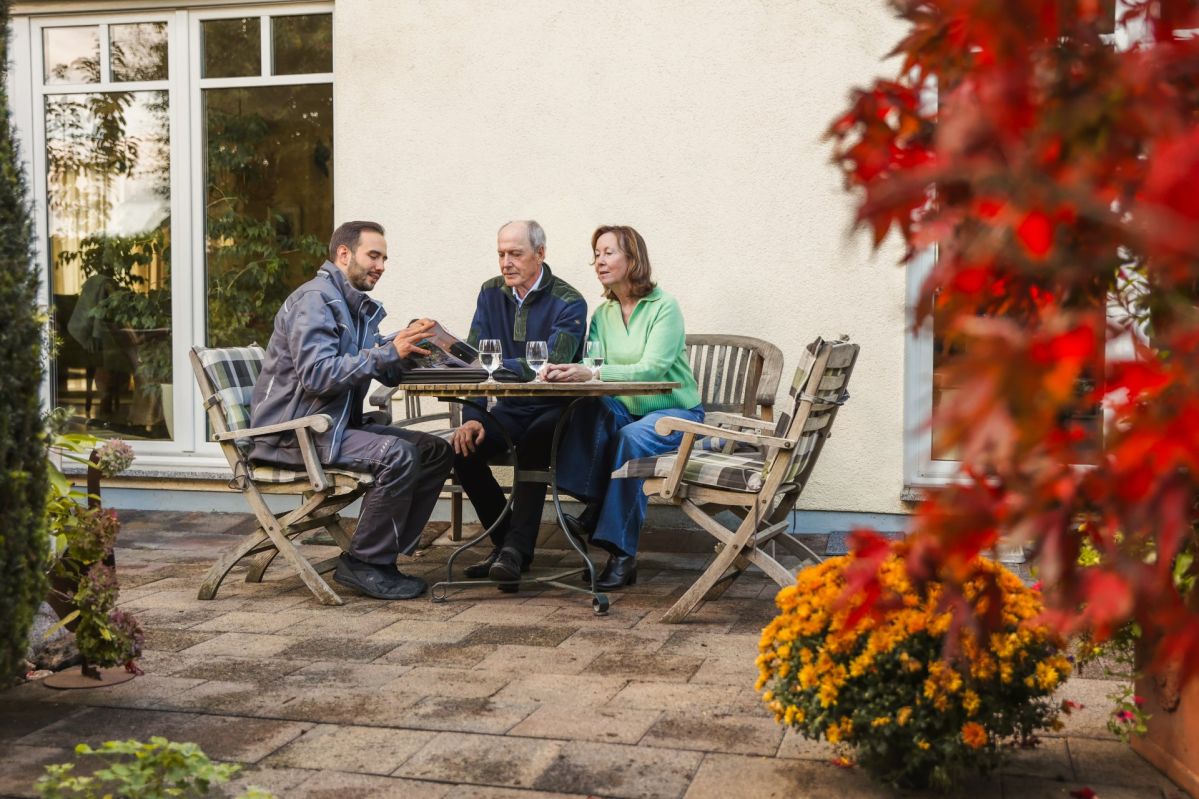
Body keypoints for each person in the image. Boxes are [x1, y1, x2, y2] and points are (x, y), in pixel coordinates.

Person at [250, 220, 454, 601]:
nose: (380, 265)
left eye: (384, 258)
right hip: (294, 435)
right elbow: (317, 376)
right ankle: (364, 564)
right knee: (398, 455)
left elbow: (370, 363)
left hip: (331, 429)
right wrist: (387, 352)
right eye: (373, 255)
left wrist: (413, 349)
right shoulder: (316, 301)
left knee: (435, 450)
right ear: (344, 254)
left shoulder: (353, 307)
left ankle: (383, 555)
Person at [545, 225, 702, 590]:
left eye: (609, 252)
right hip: (625, 411)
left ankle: (620, 554)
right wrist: (573, 372)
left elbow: (652, 369)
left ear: (633, 259)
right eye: (597, 253)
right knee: (586, 409)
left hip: (676, 415)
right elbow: (593, 365)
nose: (599, 260)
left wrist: (594, 372)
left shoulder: (664, 306)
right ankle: (596, 501)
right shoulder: (603, 314)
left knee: (630, 439)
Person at [451, 220, 587, 589]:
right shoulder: (490, 293)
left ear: (540, 254)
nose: (506, 262)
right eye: (501, 254)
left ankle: (512, 551)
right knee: (462, 449)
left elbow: (550, 367)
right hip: (508, 410)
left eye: (515, 253)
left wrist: (497, 367)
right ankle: (509, 547)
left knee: (535, 442)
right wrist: (473, 416)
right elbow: (475, 363)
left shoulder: (570, 301)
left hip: (553, 412)